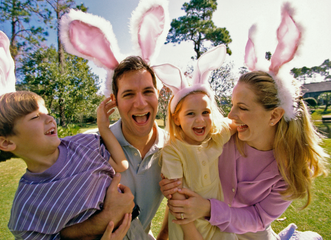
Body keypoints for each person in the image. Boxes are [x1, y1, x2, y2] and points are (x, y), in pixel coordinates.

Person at [159, 4, 329, 240]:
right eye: (232, 104)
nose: (230, 115)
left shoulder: (290, 168)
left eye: (243, 108)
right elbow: (184, 158)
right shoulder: (223, 136)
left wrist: (207, 208)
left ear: (274, 116)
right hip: (209, 232)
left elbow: (258, 219)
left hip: (252, 234)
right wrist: (171, 186)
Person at [0, 29, 134, 240]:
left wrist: (103, 128)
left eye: (46, 112)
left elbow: (121, 165)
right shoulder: (27, 208)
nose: (49, 119)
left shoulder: (84, 144)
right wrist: (103, 222)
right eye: (34, 117)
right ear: (5, 142)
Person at [60, 56, 168, 240]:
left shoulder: (172, 146)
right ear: (114, 100)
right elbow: (55, 228)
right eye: (129, 94)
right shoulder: (88, 146)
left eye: (148, 91)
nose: (141, 103)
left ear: (158, 94)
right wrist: (103, 221)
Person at [152, 45, 236, 240]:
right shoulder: (173, 150)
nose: (200, 120)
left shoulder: (215, 135)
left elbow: (238, 124)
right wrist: (191, 234)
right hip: (187, 225)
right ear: (176, 119)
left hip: (217, 220)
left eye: (205, 112)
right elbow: (176, 194)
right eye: (190, 114)